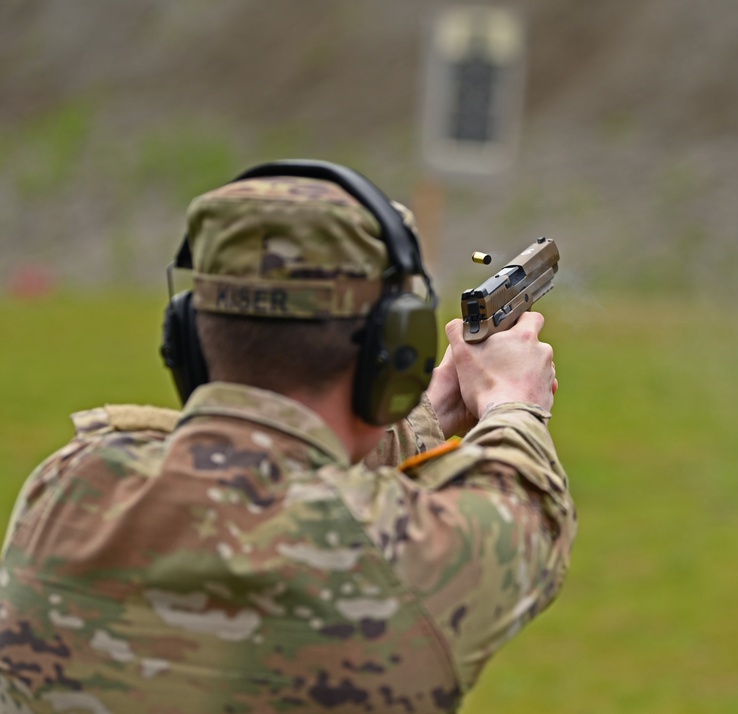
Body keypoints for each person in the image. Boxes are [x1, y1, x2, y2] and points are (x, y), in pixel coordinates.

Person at [0, 160, 576, 713]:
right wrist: (512, 399)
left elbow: (259, 463)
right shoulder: (400, 561)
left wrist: (432, 408)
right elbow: (525, 507)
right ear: (392, 357)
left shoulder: (66, 490)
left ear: (190, 337)